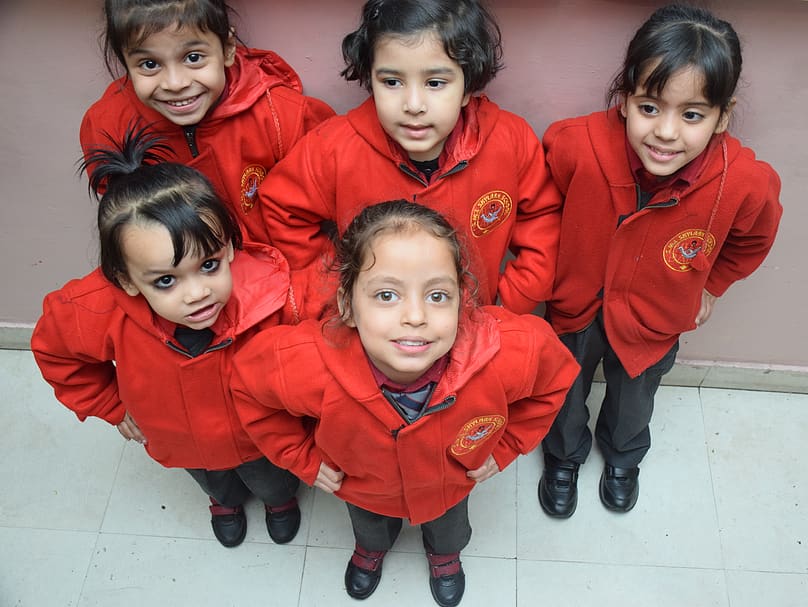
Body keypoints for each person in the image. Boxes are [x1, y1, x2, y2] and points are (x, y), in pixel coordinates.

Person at [230, 200, 579, 606]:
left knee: (449, 528)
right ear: (347, 303)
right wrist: (303, 459)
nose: (415, 315)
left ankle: (444, 556)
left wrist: (505, 448)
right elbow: (249, 391)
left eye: (437, 295)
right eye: (386, 294)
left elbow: (555, 380)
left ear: (462, 300)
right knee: (370, 527)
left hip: (450, 486)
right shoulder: (303, 362)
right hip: (364, 491)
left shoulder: (508, 353)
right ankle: (372, 549)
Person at [537, 4, 783, 518]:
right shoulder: (574, 144)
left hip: (655, 318)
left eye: (691, 114)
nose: (666, 133)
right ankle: (563, 456)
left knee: (634, 401)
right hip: (574, 307)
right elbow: (538, 205)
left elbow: (753, 238)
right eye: (650, 107)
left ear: (723, 116)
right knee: (562, 387)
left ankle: (624, 458)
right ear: (624, 100)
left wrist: (713, 284)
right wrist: (543, 270)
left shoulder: (744, 183)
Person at [31, 125, 309, 548]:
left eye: (210, 266)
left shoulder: (274, 291)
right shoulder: (93, 308)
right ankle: (225, 504)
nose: (197, 293)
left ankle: (279, 503)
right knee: (215, 482)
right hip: (180, 438)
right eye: (165, 280)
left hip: (259, 438)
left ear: (230, 248)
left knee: (272, 480)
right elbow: (56, 351)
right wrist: (108, 403)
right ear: (125, 279)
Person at [258, 0, 562, 318]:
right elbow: (282, 208)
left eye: (434, 83)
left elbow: (542, 220)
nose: (413, 104)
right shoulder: (334, 147)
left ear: (467, 87)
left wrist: (511, 303)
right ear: (370, 79)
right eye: (392, 82)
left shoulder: (510, 142)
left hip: (473, 326)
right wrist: (336, 292)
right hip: (372, 334)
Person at [80, 0, 335, 245]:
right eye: (149, 64)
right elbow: (126, 222)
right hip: (178, 276)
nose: (175, 83)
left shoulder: (282, 116)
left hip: (277, 271)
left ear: (228, 48)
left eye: (193, 57)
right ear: (124, 61)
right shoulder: (109, 125)